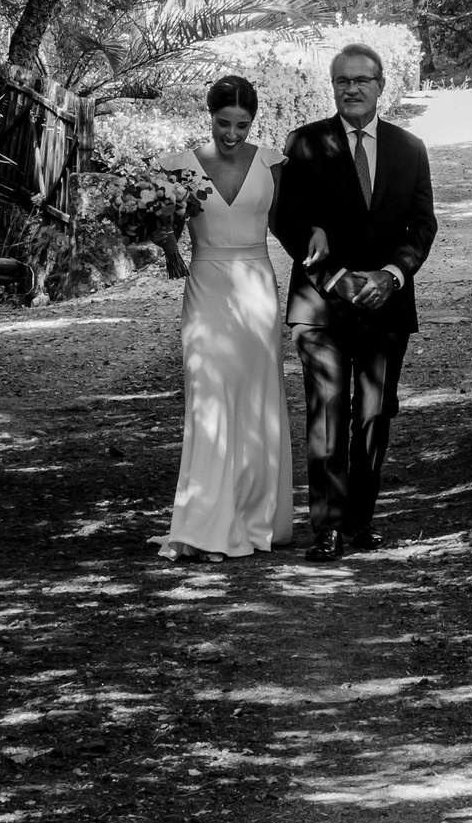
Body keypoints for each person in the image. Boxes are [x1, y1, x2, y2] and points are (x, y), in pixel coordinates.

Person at [271, 44, 438, 562]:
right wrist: (336, 277)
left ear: (381, 85)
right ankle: (326, 528)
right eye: (342, 80)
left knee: (373, 414)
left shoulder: (410, 148)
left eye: (362, 80)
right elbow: (287, 219)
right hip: (321, 306)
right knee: (327, 414)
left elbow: (422, 225)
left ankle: (360, 521)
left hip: (385, 306)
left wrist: (392, 275)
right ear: (333, 86)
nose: (352, 88)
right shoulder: (304, 143)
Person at [153, 76, 296, 562]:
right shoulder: (178, 166)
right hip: (207, 285)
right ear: (209, 116)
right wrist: (162, 238)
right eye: (223, 123)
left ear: (253, 122)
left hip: (256, 288)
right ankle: (205, 526)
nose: (231, 134)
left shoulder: (273, 162)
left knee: (256, 400)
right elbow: (166, 225)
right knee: (208, 400)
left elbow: (285, 224)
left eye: (242, 125)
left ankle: (254, 517)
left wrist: (319, 238)